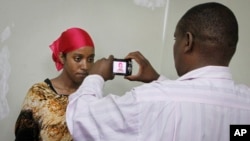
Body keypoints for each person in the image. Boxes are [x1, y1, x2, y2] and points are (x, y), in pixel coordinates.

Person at [66, 2, 250, 141]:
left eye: (175, 39)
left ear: (187, 42)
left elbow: (82, 120)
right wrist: (157, 79)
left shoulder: (149, 100)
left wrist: (95, 76)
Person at [15, 27, 95, 141]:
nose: (85, 66)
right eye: (78, 59)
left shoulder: (91, 94)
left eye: (90, 59)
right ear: (62, 57)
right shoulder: (39, 94)